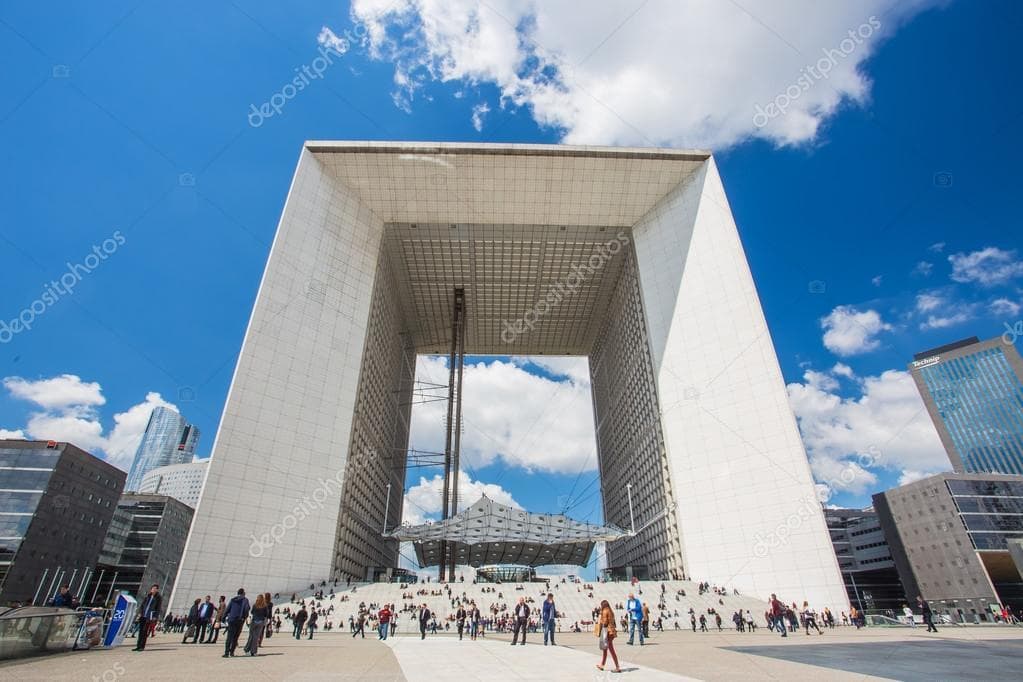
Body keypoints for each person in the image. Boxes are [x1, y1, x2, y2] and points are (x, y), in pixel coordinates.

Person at [133, 584, 162, 652]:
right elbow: (142, 605)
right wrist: (139, 613)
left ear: (157, 590)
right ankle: (138, 646)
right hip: (143, 615)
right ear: (151, 589)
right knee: (140, 631)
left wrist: (155, 617)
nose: (153, 590)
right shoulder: (147, 596)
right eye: (152, 588)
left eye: (155, 588)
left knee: (144, 631)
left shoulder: (158, 597)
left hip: (150, 617)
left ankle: (142, 647)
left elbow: (158, 608)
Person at [222, 588, 250, 658]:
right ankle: (232, 652)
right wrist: (244, 617)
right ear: (243, 593)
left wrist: (224, 617)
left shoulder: (233, 600)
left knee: (229, 637)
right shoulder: (245, 600)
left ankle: (226, 653)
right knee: (235, 637)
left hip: (231, 619)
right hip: (239, 620)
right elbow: (246, 609)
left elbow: (228, 609)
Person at [595, 600, 621, 673]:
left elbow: (605, 623)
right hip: (611, 631)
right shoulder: (610, 611)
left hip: (607, 631)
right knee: (605, 648)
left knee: (611, 649)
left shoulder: (604, 611)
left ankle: (617, 667)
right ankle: (602, 665)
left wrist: (600, 631)